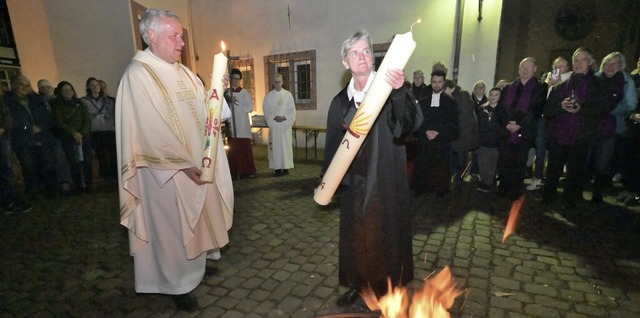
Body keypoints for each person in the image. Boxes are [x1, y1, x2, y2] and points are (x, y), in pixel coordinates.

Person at [116, 8, 234, 311]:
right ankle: (177, 283)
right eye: (175, 35)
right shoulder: (138, 75)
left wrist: (217, 94)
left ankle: (199, 264)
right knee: (172, 229)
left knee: (202, 218)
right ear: (151, 36)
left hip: (198, 166)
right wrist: (183, 165)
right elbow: (147, 128)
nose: (182, 42)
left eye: (181, 35)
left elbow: (203, 112)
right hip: (165, 172)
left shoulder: (183, 72)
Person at [323, 29, 417, 307]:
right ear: (345, 62)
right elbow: (332, 145)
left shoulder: (390, 91)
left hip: (385, 176)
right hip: (355, 182)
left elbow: (409, 126)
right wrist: (329, 183)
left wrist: (400, 92)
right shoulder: (340, 102)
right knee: (356, 237)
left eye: (366, 51)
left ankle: (387, 290)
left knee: (384, 233)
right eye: (355, 53)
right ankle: (358, 285)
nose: (362, 57)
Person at [543, 47, 609, 209]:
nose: (579, 64)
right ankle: (548, 197)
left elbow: (603, 109)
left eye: (583, 60)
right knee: (553, 168)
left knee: (575, 171)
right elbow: (548, 111)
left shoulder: (599, 85)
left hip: (581, 136)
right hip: (559, 136)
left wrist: (582, 110)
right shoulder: (562, 86)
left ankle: (568, 199)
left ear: (590, 62)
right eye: (576, 61)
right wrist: (561, 106)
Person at [589, 52, 637, 203]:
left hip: (612, 126)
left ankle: (598, 192)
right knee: (587, 158)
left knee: (603, 161)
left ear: (620, 66)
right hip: (591, 124)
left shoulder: (625, 81)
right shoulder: (595, 78)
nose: (611, 66)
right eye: (608, 63)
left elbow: (630, 104)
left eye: (615, 63)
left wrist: (608, 110)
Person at [497, 57, 547, 200]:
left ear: (534, 69)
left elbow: (535, 110)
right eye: (522, 67)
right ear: (518, 69)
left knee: (519, 163)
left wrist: (519, 125)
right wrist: (507, 124)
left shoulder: (540, 87)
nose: (525, 70)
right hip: (507, 131)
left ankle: (514, 191)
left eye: (528, 67)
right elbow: (501, 109)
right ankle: (503, 188)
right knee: (504, 162)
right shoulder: (508, 87)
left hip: (524, 132)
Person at [5, 74, 60, 198]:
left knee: (48, 164)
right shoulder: (9, 102)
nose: (25, 87)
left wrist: (41, 127)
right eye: (21, 84)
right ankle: (34, 192)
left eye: (27, 84)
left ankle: (51, 189)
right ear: (14, 86)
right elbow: (12, 120)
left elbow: (48, 118)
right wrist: (29, 128)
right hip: (23, 140)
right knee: (29, 167)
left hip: (43, 137)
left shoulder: (38, 100)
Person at [526, 57, 572, 191]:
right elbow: (541, 101)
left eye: (562, 66)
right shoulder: (547, 80)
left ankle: (554, 180)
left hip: (559, 121)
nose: (558, 70)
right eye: (556, 67)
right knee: (540, 150)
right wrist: (548, 86)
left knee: (557, 151)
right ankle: (538, 177)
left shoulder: (570, 80)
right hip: (543, 119)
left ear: (567, 67)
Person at [412, 70, 459, 197]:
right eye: (434, 82)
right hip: (425, 142)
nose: (436, 85)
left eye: (439, 82)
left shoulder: (451, 103)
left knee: (441, 169)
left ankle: (440, 191)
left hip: (441, 143)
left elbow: (454, 124)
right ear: (430, 82)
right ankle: (422, 188)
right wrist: (426, 131)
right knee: (423, 166)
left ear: (444, 83)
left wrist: (439, 133)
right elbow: (417, 123)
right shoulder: (422, 103)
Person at [51, 81, 93, 194]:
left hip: (84, 137)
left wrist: (82, 133)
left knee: (87, 162)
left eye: (70, 89)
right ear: (60, 92)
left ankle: (89, 185)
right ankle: (79, 186)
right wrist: (73, 133)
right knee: (74, 163)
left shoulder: (80, 103)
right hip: (68, 138)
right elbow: (59, 122)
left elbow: (87, 120)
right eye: (65, 90)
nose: (68, 92)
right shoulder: (57, 105)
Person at [0, 86, 32, 213]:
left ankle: (9, 200)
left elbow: (7, 116)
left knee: (5, 168)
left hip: (2, 136)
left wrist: (2, 129)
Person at [81, 77, 117, 180]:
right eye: (92, 85)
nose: (95, 87)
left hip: (109, 130)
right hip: (95, 132)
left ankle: (115, 177)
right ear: (88, 87)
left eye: (97, 85)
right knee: (101, 156)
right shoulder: (84, 101)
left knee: (112, 154)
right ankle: (106, 177)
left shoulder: (109, 100)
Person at [445, 79, 478, 185]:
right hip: (459, 134)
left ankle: (459, 179)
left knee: (460, 158)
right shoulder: (457, 95)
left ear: (449, 88)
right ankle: (456, 178)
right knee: (457, 158)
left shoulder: (462, 95)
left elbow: (463, 116)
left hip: (463, 134)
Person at [225, 68, 256, 179]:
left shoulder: (244, 93)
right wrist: (228, 101)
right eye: (234, 78)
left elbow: (250, 107)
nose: (237, 81)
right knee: (233, 149)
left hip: (242, 125)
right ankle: (234, 171)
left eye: (239, 79)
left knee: (244, 148)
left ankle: (247, 171)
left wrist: (238, 104)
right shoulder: (227, 93)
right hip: (232, 124)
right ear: (231, 79)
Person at [263, 73, 295, 176]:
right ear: (273, 83)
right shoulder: (268, 97)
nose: (277, 84)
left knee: (285, 147)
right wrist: (274, 117)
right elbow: (266, 111)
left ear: (282, 82)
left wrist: (284, 117)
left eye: (279, 82)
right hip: (275, 126)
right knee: (275, 148)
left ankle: (285, 167)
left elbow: (292, 111)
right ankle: (277, 168)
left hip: (284, 125)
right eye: (275, 82)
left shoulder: (288, 95)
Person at [476, 87, 505, 192]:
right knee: (483, 163)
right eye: (491, 94)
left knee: (492, 164)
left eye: (496, 95)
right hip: (483, 141)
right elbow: (479, 125)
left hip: (496, 142)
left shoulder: (503, 109)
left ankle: (489, 183)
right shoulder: (482, 108)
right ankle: (484, 181)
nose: (493, 97)